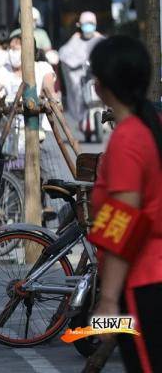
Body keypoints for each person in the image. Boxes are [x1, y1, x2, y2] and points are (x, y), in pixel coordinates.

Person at [89, 36, 162, 373]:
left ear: (102, 85)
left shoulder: (128, 138)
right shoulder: (148, 126)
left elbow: (122, 223)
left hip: (143, 283)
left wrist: (107, 300)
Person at [2, 29, 72, 223]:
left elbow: (49, 90)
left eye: (19, 47)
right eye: (12, 47)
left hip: (41, 132)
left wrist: (48, 100)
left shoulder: (41, 67)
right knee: (15, 186)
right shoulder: (3, 71)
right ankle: (17, 228)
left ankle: (62, 224)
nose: (14, 51)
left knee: (55, 182)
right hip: (13, 137)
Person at [59, 11, 105, 120]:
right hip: (82, 79)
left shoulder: (101, 40)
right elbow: (64, 54)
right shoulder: (75, 39)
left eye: (91, 23)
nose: (88, 27)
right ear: (80, 25)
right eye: (86, 24)